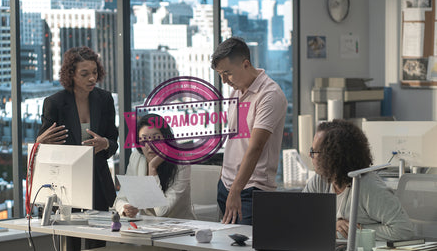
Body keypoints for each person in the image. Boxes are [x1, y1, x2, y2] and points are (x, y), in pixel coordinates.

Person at [36, 46, 118, 248]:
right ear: (71, 74)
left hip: (98, 183)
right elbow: (42, 149)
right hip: (66, 187)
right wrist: (40, 142)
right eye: (85, 74)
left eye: (95, 72)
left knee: (97, 244)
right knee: (69, 244)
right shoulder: (54, 103)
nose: (92, 78)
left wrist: (105, 143)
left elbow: (114, 142)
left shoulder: (105, 99)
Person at [211, 37, 288, 225]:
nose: (224, 80)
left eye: (227, 73)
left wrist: (236, 190)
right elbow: (234, 140)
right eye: (220, 74)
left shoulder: (269, 95)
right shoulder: (236, 92)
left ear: (246, 64)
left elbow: (255, 147)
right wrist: (223, 180)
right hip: (227, 186)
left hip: (251, 190)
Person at [303, 119, 414, 241]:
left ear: (332, 156)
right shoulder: (319, 181)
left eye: (313, 151)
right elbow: (301, 218)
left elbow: (403, 230)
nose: (310, 155)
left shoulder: (369, 188)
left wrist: (354, 231)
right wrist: (331, 227)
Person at [114, 114, 195, 219]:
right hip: (146, 227)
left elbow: (162, 211)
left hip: (180, 227)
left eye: (156, 139)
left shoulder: (181, 164)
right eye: (144, 140)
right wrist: (125, 209)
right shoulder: (137, 157)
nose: (149, 145)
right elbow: (119, 200)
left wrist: (152, 168)